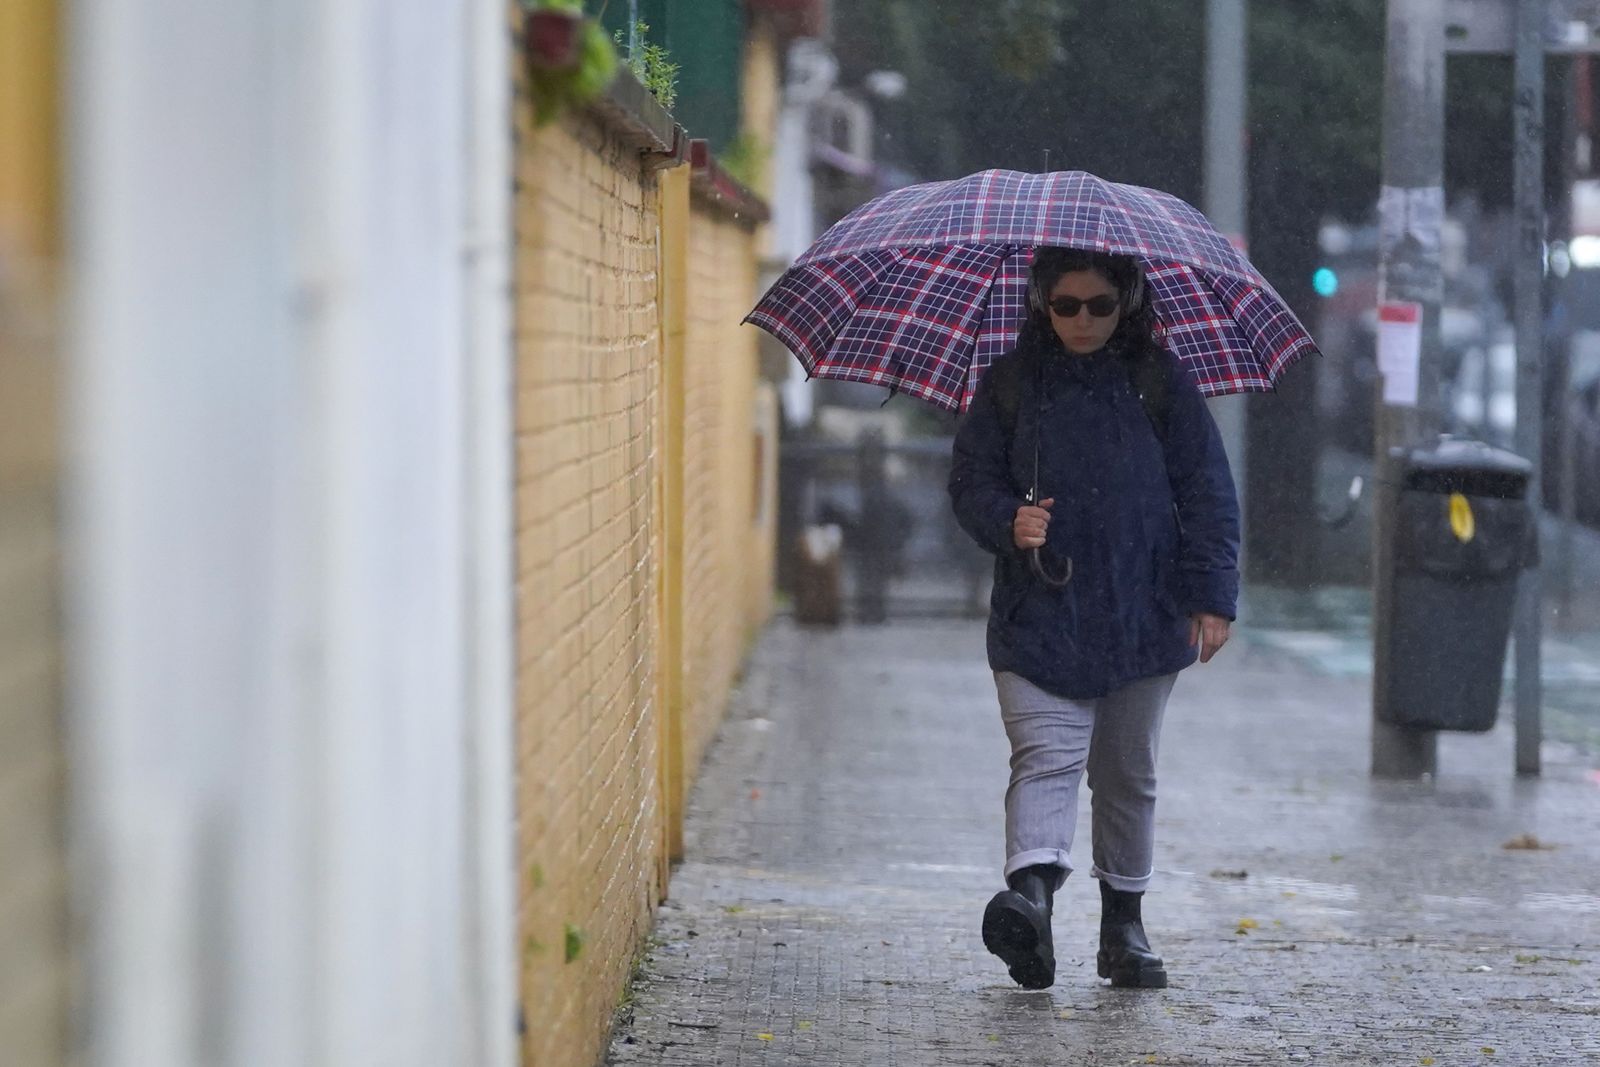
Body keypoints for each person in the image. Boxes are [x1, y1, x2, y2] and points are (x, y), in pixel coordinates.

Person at [947, 246, 1239, 991]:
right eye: (1065, 304)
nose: (1082, 320)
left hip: (1144, 615)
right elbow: (970, 481)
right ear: (1041, 303)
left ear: (1128, 303)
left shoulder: (1160, 380)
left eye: (1099, 306)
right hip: (1037, 616)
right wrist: (1009, 519)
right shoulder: (1010, 385)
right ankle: (1032, 903)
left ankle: (1124, 927)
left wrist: (1212, 596)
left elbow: (1207, 488)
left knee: (1126, 774)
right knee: (1044, 758)